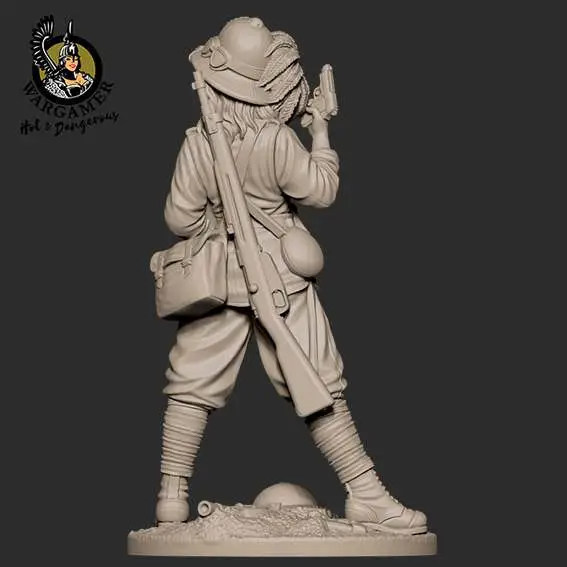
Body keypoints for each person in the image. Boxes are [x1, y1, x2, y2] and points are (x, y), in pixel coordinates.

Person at [154, 16, 428, 535]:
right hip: (281, 278)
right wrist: (320, 132)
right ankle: (367, 494)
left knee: (191, 384)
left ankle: (171, 497)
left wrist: (221, 218)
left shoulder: (197, 143)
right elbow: (321, 190)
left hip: (219, 278)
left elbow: (180, 219)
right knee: (320, 383)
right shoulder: (277, 140)